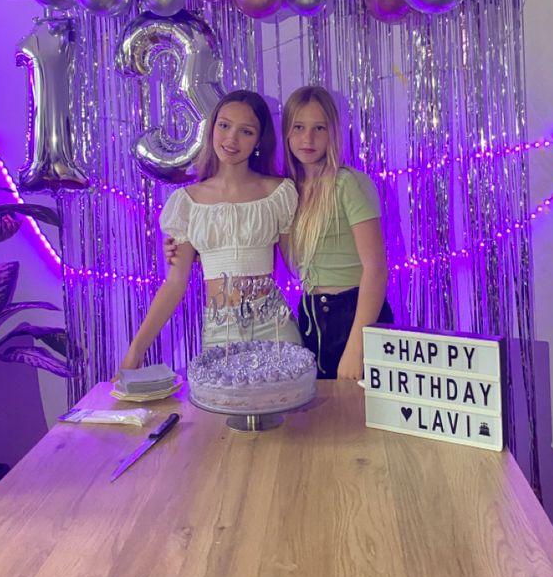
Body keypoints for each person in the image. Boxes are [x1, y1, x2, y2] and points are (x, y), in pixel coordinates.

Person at [119, 90, 301, 372]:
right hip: (221, 331)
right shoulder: (187, 202)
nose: (231, 139)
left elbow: (296, 263)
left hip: (274, 326)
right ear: (212, 128)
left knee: (287, 414)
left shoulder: (278, 192)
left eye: (246, 131)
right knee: (226, 415)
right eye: (224, 125)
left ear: (258, 141)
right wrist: (136, 349)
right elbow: (174, 284)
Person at [282, 85, 394, 381]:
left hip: (353, 313)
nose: (308, 138)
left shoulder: (349, 184)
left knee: (358, 420)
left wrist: (356, 347)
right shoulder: (288, 192)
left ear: (333, 132)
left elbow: (376, 269)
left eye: (319, 128)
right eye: (299, 127)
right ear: (287, 134)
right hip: (310, 316)